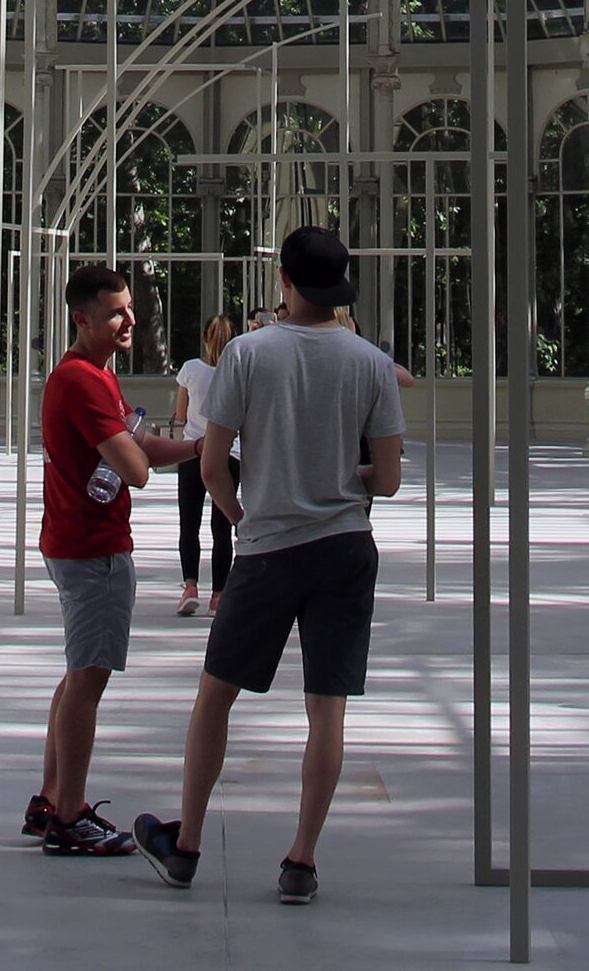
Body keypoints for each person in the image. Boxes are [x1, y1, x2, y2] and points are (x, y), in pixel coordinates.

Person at [136, 226, 405, 907]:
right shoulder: (370, 362)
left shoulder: (248, 354)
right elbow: (391, 478)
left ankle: (188, 842)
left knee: (216, 696)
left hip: (267, 546)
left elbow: (209, 459)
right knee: (328, 708)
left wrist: (241, 513)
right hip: (345, 545)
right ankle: (302, 857)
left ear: (283, 278)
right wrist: (340, 474)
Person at [23, 264, 187, 859]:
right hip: (93, 550)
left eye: (130, 309)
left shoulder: (91, 376)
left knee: (76, 675)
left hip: (77, 543)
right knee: (88, 681)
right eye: (116, 312)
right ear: (82, 318)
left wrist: (200, 446)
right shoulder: (84, 382)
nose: (128, 321)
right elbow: (136, 469)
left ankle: (51, 797)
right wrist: (144, 450)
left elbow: (138, 445)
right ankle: (69, 814)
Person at [171, 313, 235, 619]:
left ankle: (190, 586)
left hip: (192, 450)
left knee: (189, 523)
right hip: (229, 454)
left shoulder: (190, 370)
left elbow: (181, 415)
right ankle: (219, 594)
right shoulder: (236, 373)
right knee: (222, 527)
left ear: (204, 340)